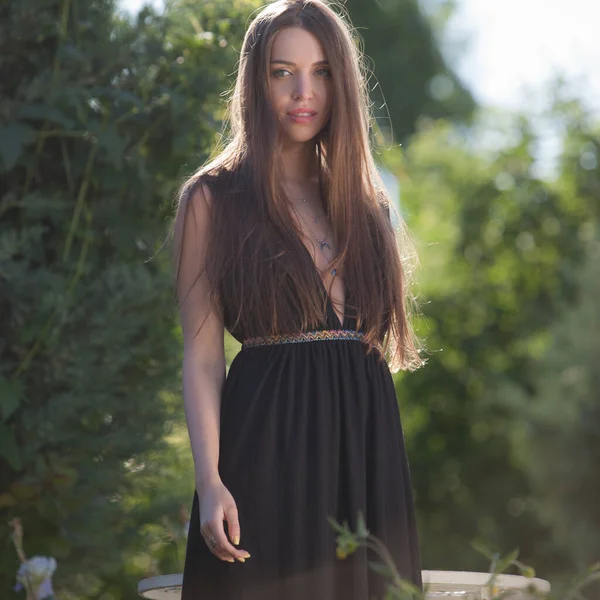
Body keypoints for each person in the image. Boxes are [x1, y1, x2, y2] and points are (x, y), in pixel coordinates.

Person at [172, 0, 427, 597]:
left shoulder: (368, 206)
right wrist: (209, 481)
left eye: (321, 72)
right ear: (255, 81)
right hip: (267, 446)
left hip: (367, 450)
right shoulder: (211, 199)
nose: (302, 91)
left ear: (342, 82)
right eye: (282, 71)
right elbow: (203, 357)